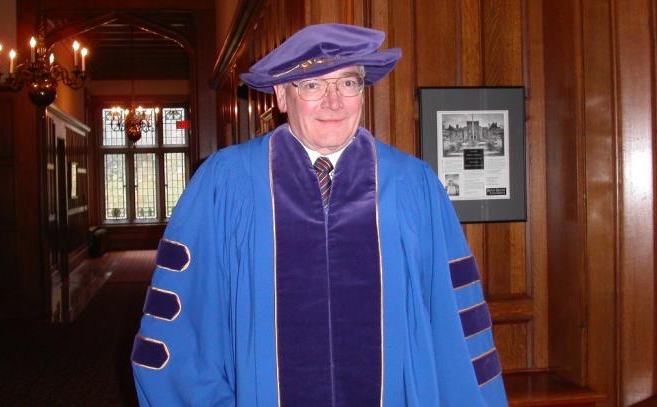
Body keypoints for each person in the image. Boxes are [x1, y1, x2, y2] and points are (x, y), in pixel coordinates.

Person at [131, 23, 508, 406]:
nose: (334, 101)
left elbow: (454, 321)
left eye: (347, 83)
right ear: (281, 95)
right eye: (312, 85)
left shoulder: (413, 185)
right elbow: (183, 324)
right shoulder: (226, 183)